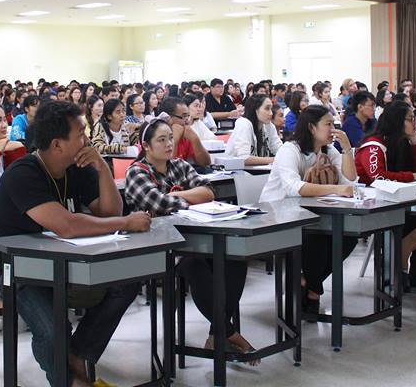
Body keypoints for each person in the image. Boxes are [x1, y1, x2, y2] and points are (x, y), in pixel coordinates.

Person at [0, 101, 151, 387]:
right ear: (58, 144)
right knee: (52, 328)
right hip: (12, 270)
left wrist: (102, 169)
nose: (86, 140)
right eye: (80, 135)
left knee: (127, 281)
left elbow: (109, 213)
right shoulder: (24, 173)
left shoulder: (78, 166)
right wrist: (126, 223)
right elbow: (67, 225)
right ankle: (72, 380)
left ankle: (76, 355)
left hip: (59, 264)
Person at [123, 118, 258, 359]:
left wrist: (177, 193)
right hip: (158, 246)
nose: (168, 144)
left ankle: (217, 333)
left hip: (196, 237)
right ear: (146, 145)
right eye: (161, 140)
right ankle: (227, 332)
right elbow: (161, 204)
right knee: (194, 265)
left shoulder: (179, 166)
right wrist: (189, 196)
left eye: (170, 139)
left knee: (235, 259)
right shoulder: (137, 172)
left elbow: (209, 191)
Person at [259, 105, 358, 317]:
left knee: (349, 237)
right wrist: (336, 189)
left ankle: (310, 283)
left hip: (310, 213)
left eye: (333, 124)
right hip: (277, 214)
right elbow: (295, 189)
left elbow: (350, 180)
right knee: (317, 238)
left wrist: (347, 149)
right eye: (328, 124)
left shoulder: (329, 150)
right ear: (312, 128)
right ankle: (313, 291)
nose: (333, 129)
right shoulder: (290, 149)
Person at [355, 103, 416, 277]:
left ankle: (402, 269)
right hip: (374, 204)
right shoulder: (374, 145)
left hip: (398, 201)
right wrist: (413, 176)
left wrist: (414, 139)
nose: (414, 123)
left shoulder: (402, 142)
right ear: (396, 121)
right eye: (410, 119)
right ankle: (399, 270)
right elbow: (378, 177)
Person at [223, 94, 281, 166]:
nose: (271, 113)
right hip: (235, 172)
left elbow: (280, 150)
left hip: (258, 172)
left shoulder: (269, 126)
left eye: (271, 109)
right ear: (255, 109)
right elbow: (243, 158)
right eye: (267, 108)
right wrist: (275, 160)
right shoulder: (244, 124)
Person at [160, 97, 212, 167]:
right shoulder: (157, 136)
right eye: (184, 116)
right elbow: (166, 167)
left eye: (188, 116)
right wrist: (175, 139)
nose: (187, 120)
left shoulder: (185, 135)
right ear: (168, 118)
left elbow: (205, 163)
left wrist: (195, 139)